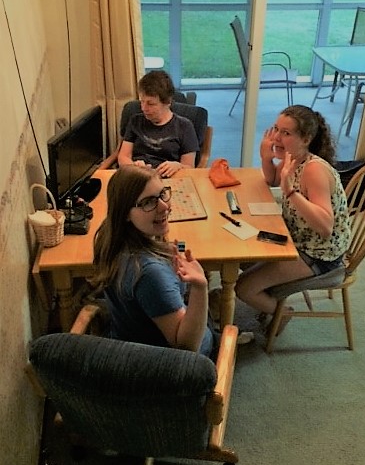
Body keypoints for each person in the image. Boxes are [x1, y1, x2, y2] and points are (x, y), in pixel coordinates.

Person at [235, 104, 351, 330]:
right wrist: (266, 158)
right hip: (295, 238)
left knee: (243, 288)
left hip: (319, 255)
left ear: (306, 139)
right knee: (241, 251)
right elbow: (273, 180)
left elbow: (325, 226)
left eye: (285, 133)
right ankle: (270, 295)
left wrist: (290, 192)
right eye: (276, 129)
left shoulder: (314, 170)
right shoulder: (294, 158)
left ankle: (284, 313)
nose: (276, 137)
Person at [90, 164, 214, 357]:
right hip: (165, 362)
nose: (164, 206)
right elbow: (187, 347)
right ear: (125, 214)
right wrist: (200, 287)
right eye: (148, 202)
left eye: (162, 194)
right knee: (213, 319)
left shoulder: (110, 235)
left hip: (129, 339)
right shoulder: (150, 274)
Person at [117, 70, 199, 177]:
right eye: (142, 101)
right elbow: (123, 157)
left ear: (168, 102)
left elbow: (189, 167)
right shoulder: (135, 121)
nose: (143, 108)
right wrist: (133, 166)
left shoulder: (184, 126)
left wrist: (178, 166)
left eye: (151, 104)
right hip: (137, 176)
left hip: (167, 177)